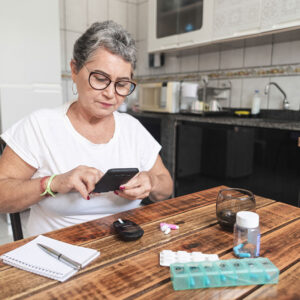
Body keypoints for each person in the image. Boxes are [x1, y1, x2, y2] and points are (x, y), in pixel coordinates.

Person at [0, 21, 173, 236]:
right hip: (58, 254)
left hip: (125, 249)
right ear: (74, 70)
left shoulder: (131, 128)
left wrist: (151, 181)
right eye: (100, 79)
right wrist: (54, 183)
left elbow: (166, 187)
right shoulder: (40, 126)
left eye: (121, 84)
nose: (111, 93)